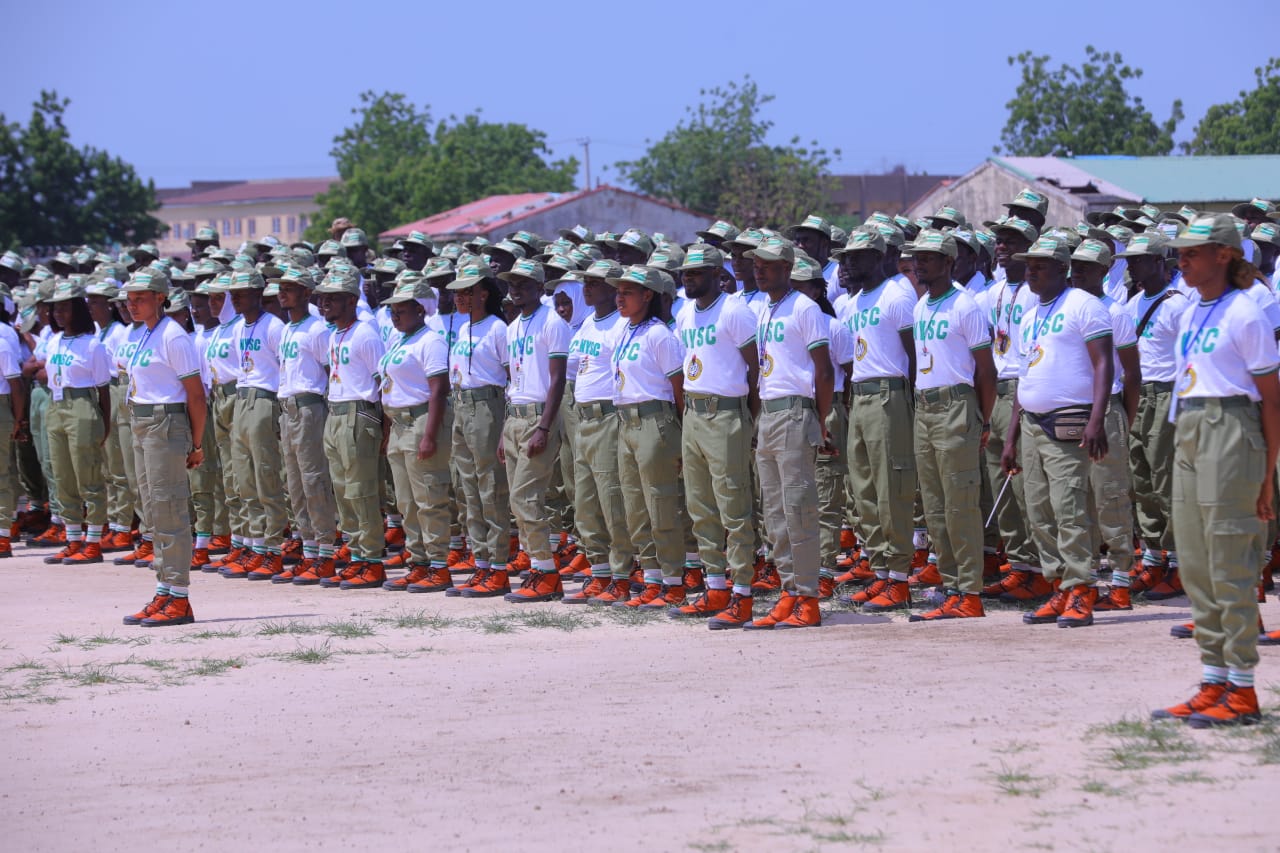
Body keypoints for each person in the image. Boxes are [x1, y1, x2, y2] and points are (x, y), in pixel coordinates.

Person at [1152, 213, 1280, 727]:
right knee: (1197, 562)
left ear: (1225, 255)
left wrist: (1268, 474)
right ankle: (1212, 678)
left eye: (1191, 253)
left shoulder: (1246, 313)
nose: (1181, 260)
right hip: (1190, 426)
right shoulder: (1189, 313)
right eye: (1178, 253)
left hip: (1232, 428)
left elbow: (1271, 400)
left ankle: (1243, 689)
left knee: (1230, 558)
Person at [1000, 236, 1114, 629]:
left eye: (1041, 265)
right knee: (1039, 511)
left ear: (1064, 268)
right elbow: (1024, 376)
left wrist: (1096, 420)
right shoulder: (1030, 314)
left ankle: (1082, 587)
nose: (1031, 271)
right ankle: (1058, 586)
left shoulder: (1084, 305)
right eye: (1029, 265)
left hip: (1068, 419)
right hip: (1031, 421)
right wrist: (1012, 437)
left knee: (1068, 508)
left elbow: (1104, 365)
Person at [741, 235, 833, 630]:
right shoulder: (764, 308)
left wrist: (820, 419)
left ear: (787, 268)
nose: (758, 270)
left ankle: (808, 598)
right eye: (756, 265)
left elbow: (824, 370)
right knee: (775, 514)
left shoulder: (805, 308)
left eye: (766, 264)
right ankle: (789, 591)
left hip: (796, 413)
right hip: (769, 414)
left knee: (799, 510)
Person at [667, 245, 761, 623]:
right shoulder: (686, 313)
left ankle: (743, 593)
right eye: (685, 273)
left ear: (714, 273)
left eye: (696, 273)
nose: (688, 278)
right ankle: (716, 587)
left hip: (725, 414)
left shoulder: (735, 311)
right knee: (700, 507)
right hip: (693, 411)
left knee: (733, 508)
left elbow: (755, 370)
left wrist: (748, 419)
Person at [907, 229, 996, 621]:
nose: (919, 263)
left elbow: (986, 370)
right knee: (934, 503)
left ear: (948, 262)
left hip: (956, 404)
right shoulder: (922, 305)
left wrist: (984, 418)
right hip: (924, 407)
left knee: (960, 502)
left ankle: (970, 592)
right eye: (917, 257)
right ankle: (949, 585)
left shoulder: (966, 305)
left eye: (928, 257)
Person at [834, 229, 918, 610]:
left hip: (889, 393)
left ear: (879, 256)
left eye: (859, 255)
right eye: (847, 256)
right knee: (864, 490)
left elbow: (914, 354)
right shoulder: (852, 303)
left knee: (891, 489)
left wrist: (911, 404)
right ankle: (880, 570)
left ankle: (899, 579)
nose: (849, 262)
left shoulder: (897, 295)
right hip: (861, 394)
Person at [119, 267, 207, 627]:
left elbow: (196, 395)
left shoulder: (173, 335)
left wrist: (196, 443)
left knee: (170, 509)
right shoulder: (145, 333)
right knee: (154, 511)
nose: (133, 305)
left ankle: (179, 595)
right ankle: (164, 588)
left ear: (160, 297)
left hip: (166, 423)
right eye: (129, 300)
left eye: (141, 298)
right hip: (143, 421)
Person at [603, 264, 687, 609]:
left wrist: (681, 435)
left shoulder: (659, 334)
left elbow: (679, 388)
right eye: (618, 292)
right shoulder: (624, 329)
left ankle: (674, 582)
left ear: (647, 295)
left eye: (628, 292)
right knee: (636, 507)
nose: (619, 298)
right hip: (626, 422)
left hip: (655, 420)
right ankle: (651, 579)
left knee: (661, 503)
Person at [489, 258, 571, 602]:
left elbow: (557, 379)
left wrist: (544, 427)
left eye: (523, 283)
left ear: (540, 287)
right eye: (512, 283)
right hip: (515, 415)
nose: (516, 289)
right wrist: (505, 429)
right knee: (517, 499)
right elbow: (515, 379)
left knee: (526, 496)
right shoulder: (512, 326)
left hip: (539, 416)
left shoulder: (553, 322)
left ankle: (546, 572)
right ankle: (537, 565)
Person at [977, 218, 1049, 602]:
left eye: (1011, 240)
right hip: (996, 390)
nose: (1001, 245)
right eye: (999, 240)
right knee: (998, 483)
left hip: (1024, 388)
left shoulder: (1037, 293)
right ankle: (1020, 565)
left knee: (1025, 485)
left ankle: (1041, 568)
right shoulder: (992, 292)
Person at [1070, 239, 1142, 611]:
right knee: (1078, 500)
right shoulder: (1065, 307)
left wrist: (1122, 420)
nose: (1077, 272)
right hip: (1071, 412)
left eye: (1085, 267)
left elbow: (1131, 373)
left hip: (1108, 410)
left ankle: (1119, 583)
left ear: (1103, 271)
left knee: (1111, 497)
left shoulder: (1115, 312)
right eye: (1074, 266)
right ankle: (1085, 582)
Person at [1116, 231, 1187, 598]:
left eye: (1140, 259)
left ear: (1160, 262)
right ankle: (1155, 558)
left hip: (1168, 392)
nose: (1132, 265)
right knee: (1140, 480)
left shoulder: (1178, 304)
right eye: (1129, 260)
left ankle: (1178, 563)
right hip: (1139, 394)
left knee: (1166, 479)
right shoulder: (1132, 304)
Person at [559, 260, 634, 605]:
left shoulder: (621, 324)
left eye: (595, 282)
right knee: (585, 501)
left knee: (611, 500)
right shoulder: (588, 322)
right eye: (585, 282)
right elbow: (574, 369)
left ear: (611, 287)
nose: (587, 288)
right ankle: (599, 571)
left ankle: (622, 575)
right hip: (583, 418)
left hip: (607, 416)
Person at [377, 274, 454, 593]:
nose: (396, 315)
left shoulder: (430, 339)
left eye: (403, 309)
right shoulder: (400, 339)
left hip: (421, 420)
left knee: (428, 498)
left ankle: (438, 565)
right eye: (393, 310)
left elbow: (438, 390)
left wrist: (429, 435)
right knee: (407, 501)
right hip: (399, 424)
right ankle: (419, 561)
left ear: (421, 310)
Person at [315, 266, 387, 589]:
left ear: (350, 300)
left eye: (332, 298)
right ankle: (357, 555)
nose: (324, 303)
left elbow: (383, 382)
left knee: (361, 490)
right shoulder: (333, 334)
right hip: (336, 410)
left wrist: (383, 427)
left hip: (359, 413)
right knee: (342, 490)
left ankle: (371, 560)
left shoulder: (365, 334)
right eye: (323, 298)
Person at [444, 261, 512, 597]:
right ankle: (481, 563)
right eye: (457, 291)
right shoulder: (461, 329)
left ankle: (499, 566)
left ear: (484, 293)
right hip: (461, 405)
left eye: (467, 291)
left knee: (491, 488)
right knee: (467, 487)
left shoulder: (498, 329)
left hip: (488, 406)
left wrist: (506, 425)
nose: (460, 297)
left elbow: (512, 376)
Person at [271, 266, 340, 585]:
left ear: (306, 293)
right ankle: (309, 551)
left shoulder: (317, 328)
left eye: (290, 287)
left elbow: (331, 373)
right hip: (288, 408)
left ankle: (326, 552)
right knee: (295, 484)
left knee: (314, 481)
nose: (282, 292)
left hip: (311, 408)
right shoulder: (288, 328)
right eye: (280, 287)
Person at [789, 255, 854, 599]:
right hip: (793, 411)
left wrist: (836, 414)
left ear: (816, 289)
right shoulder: (784, 321)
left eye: (801, 285)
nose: (794, 291)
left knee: (827, 494)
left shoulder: (833, 326)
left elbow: (847, 371)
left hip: (827, 409)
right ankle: (796, 567)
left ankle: (826, 568)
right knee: (796, 491)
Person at [218, 269, 288, 580]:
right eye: (233, 293)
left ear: (259, 294)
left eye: (242, 292)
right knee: (244, 477)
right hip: (242, 397)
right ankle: (256, 544)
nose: (236, 298)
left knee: (266, 477)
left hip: (265, 398)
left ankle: (274, 548)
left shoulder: (274, 326)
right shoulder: (237, 328)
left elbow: (285, 368)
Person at [40, 280, 112, 565]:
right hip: (55, 405)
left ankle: (93, 541)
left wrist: (104, 424)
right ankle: (72, 538)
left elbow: (104, 389)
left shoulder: (92, 344)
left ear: (77, 310)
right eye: (55, 309)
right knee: (62, 475)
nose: (58, 313)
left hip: (82, 405)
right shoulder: (54, 340)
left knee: (88, 476)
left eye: (65, 308)